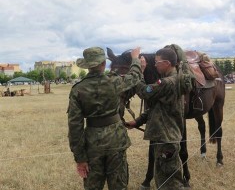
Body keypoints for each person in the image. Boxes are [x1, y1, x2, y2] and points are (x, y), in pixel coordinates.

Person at [67, 46, 145, 190]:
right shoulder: (115, 81)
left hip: (92, 145)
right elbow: (135, 76)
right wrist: (135, 59)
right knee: (119, 185)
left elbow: (75, 127)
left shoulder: (78, 90)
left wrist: (80, 158)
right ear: (103, 64)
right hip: (116, 140)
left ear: (87, 66)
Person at [126, 47, 192, 190]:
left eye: (157, 62)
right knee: (165, 179)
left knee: (170, 182)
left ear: (167, 63)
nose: (154, 65)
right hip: (166, 137)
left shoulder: (167, 83)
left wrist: (139, 68)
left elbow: (144, 91)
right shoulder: (175, 80)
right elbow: (157, 108)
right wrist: (138, 121)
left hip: (165, 139)